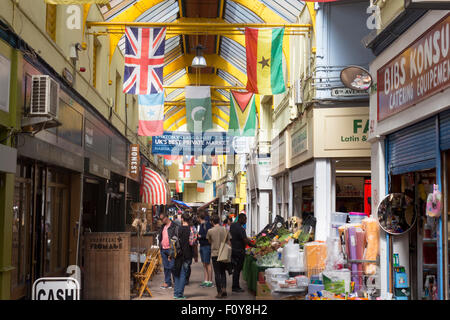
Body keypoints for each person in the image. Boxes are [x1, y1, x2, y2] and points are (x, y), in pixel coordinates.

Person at [207, 215, 231, 299]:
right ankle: (224, 289)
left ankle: (219, 292)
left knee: (217, 273)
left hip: (215, 254)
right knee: (223, 272)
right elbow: (229, 241)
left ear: (212, 222)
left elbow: (209, 241)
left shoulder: (210, 231)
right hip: (224, 253)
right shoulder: (225, 229)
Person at [230, 213, 254, 293]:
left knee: (236, 269)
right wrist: (253, 245)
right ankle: (235, 287)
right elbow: (245, 240)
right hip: (239, 251)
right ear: (240, 219)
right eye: (245, 219)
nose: (246, 220)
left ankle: (235, 285)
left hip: (233, 250)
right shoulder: (241, 229)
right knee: (237, 269)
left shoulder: (233, 226)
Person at [172, 213, 193, 299]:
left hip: (178, 254)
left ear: (182, 220)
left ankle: (176, 293)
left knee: (177, 273)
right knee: (183, 274)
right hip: (187, 254)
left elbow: (173, 241)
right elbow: (192, 243)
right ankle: (180, 294)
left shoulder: (177, 229)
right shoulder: (191, 230)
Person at [158, 212, 179, 289]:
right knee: (166, 267)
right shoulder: (162, 227)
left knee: (173, 266)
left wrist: (175, 248)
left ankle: (176, 282)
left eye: (162, 219)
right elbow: (161, 237)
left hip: (171, 249)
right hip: (163, 249)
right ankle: (167, 282)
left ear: (166, 217)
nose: (161, 220)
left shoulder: (174, 226)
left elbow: (176, 238)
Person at [198, 211, 213, 287]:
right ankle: (206, 280)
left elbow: (208, 235)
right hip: (202, 245)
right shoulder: (201, 225)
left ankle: (210, 281)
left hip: (206, 246)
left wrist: (200, 236)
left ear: (200, 218)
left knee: (208, 264)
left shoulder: (207, 225)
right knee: (204, 263)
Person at [185, 214, 198, 285]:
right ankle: (186, 279)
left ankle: (186, 279)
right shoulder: (193, 228)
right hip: (190, 248)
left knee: (186, 264)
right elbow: (194, 240)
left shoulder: (191, 228)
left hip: (188, 248)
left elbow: (193, 241)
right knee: (187, 264)